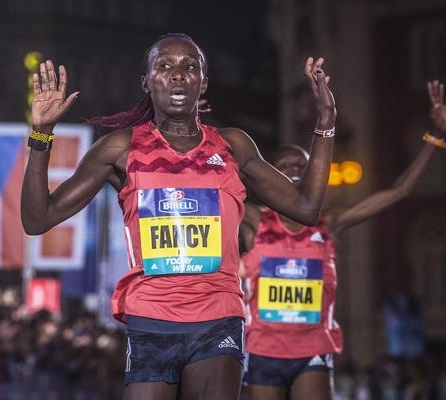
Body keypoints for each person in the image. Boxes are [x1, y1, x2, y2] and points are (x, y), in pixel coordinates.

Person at [21, 33, 336, 400]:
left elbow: (306, 208)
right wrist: (41, 134)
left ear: (203, 82)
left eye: (189, 66)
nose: (177, 74)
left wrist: (325, 122)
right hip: (151, 320)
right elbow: (37, 219)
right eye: (164, 66)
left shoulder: (233, 147)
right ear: (146, 81)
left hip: (218, 318)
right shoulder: (121, 148)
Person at [239, 80, 446, 400]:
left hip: (312, 350)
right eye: (284, 167)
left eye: (302, 165)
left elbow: (398, 191)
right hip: (262, 349)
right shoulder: (255, 220)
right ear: (271, 177)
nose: (294, 170)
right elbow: (211, 188)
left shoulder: (329, 224)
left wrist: (434, 138)